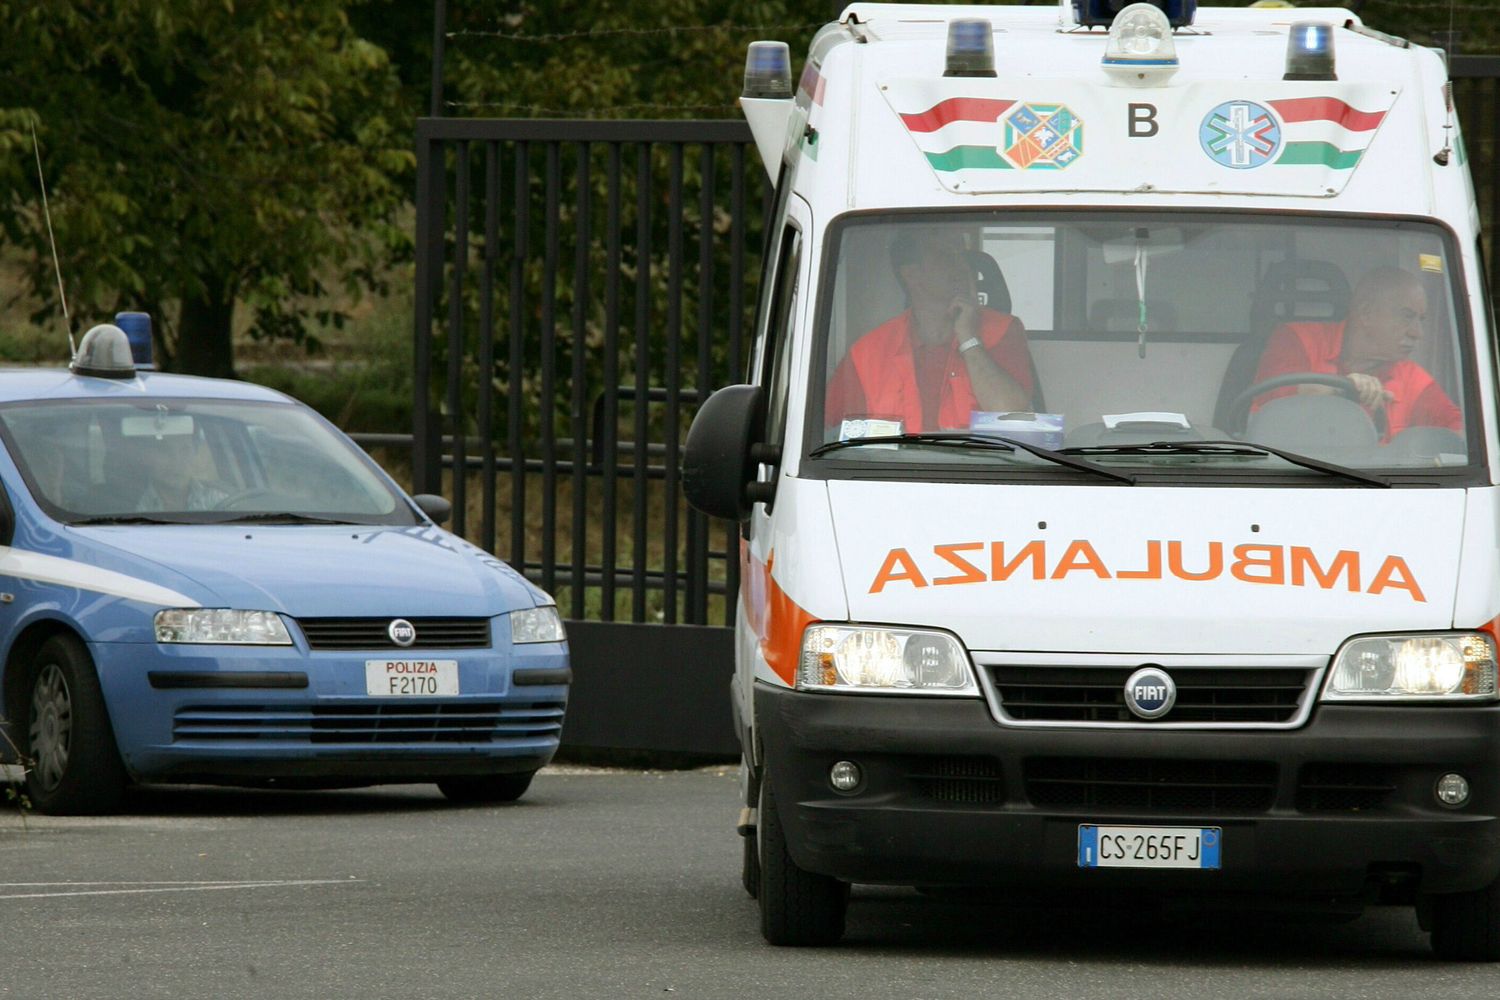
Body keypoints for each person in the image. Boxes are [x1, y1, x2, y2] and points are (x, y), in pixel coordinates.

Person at [824, 227, 1035, 433]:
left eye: (961, 254)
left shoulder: (1002, 330)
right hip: (893, 469)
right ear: (912, 274)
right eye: (944, 255)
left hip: (982, 468)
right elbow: (827, 438)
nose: (961, 265)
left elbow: (1015, 420)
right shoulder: (867, 353)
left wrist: (969, 340)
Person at [1250, 265, 1461, 441]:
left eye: (1420, 320)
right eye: (1407, 316)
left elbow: (1462, 436)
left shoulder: (1413, 379)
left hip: (1376, 488)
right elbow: (1276, 394)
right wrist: (1343, 387)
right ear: (1366, 313)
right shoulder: (1296, 338)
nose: (1418, 333)